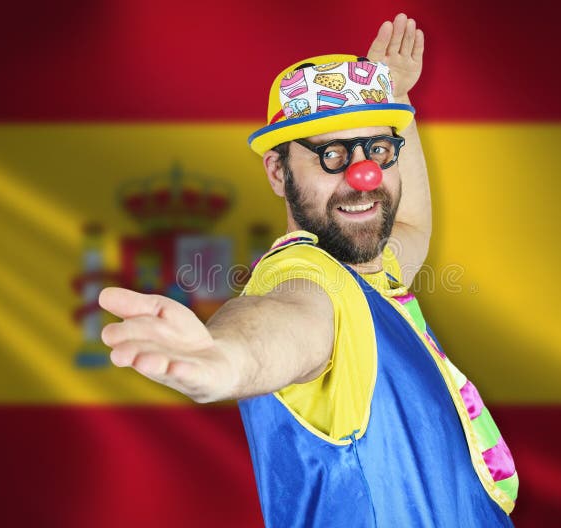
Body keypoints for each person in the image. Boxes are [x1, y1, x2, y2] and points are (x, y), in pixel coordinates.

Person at [99, 14, 517, 527]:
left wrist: (397, 100)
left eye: (379, 151)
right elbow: (290, 320)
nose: (364, 178)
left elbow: (410, 225)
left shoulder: (374, 274)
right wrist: (228, 358)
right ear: (278, 173)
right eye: (333, 154)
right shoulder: (307, 276)